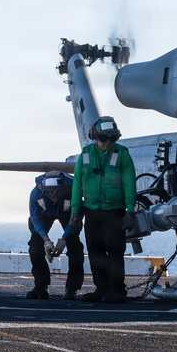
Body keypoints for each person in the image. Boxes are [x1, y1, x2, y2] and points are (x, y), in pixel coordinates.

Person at [68, 116, 137, 303]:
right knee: (95, 251)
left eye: (112, 139)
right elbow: (77, 185)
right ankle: (101, 289)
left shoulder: (122, 154)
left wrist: (130, 210)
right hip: (92, 211)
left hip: (114, 211)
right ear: (94, 136)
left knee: (115, 251)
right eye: (103, 138)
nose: (107, 142)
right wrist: (75, 213)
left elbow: (129, 183)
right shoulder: (85, 155)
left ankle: (117, 290)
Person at [25, 171, 84, 300]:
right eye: (50, 193)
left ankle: (72, 288)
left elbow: (76, 218)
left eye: (58, 192)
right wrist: (46, 240)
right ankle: (41, 286)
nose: (54, 196)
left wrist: (64, 239)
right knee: (35, 248)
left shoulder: (75, 190)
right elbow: (36, 218)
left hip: (69, 214)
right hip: (44, 214)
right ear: (44, 191)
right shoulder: (35, 194)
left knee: (75, 247)